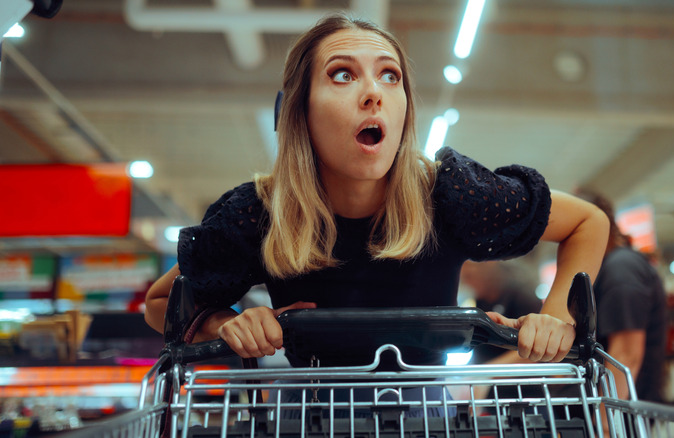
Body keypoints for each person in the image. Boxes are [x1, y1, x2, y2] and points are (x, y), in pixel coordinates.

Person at [145, 14, 608, 374]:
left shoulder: (452, 195)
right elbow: (160, 303)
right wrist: (224, 324)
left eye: (390, 76)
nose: (373, 93)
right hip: (308, 414)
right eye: (342, 75)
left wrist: (556, 318)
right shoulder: (262, 212)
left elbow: (589, 222)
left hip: (430, 418)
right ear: (301, 112)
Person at [577, 190, 668, 403]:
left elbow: (626, 354)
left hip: (622, 419)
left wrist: (606, 427)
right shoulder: (611, 267)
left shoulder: (621, 269)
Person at [460, 259, 542, 366]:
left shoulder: (522, 297)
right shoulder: (481, 301)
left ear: (488, 264)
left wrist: (486, 372)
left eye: (468, 276)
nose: (467, 284)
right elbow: (480, 347)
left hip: (513, 377)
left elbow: (533, 350)